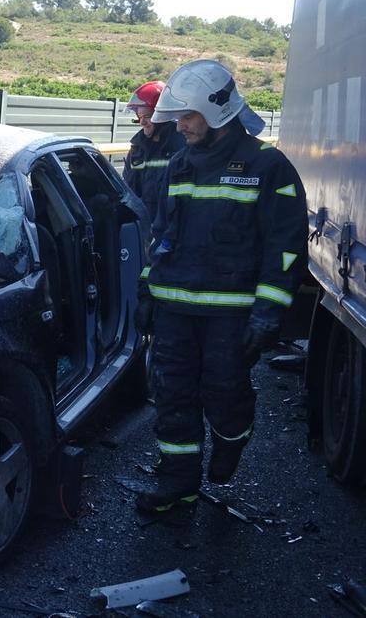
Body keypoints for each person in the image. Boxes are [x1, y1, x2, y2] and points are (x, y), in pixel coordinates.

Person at [134, 59, 308, 513]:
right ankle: (178, 482)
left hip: (231, 315)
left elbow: (285, 247)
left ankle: (232, 439)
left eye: (188, 117)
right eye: (179, 117)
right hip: (174, 310)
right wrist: (146, 293)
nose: (181, 126)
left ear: (219, 112)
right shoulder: (179, 164)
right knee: (172, 395)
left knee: (225, 394)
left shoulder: (268, 167)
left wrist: (269, 311)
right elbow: (161, 236)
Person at [123, 80, 186, 233]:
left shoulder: (182, 147)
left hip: (173, 232)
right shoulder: (138, 148)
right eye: (139, 116)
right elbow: (129, 190)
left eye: (147, 116)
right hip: (144, 229)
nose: (142, 122)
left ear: (163, 115)